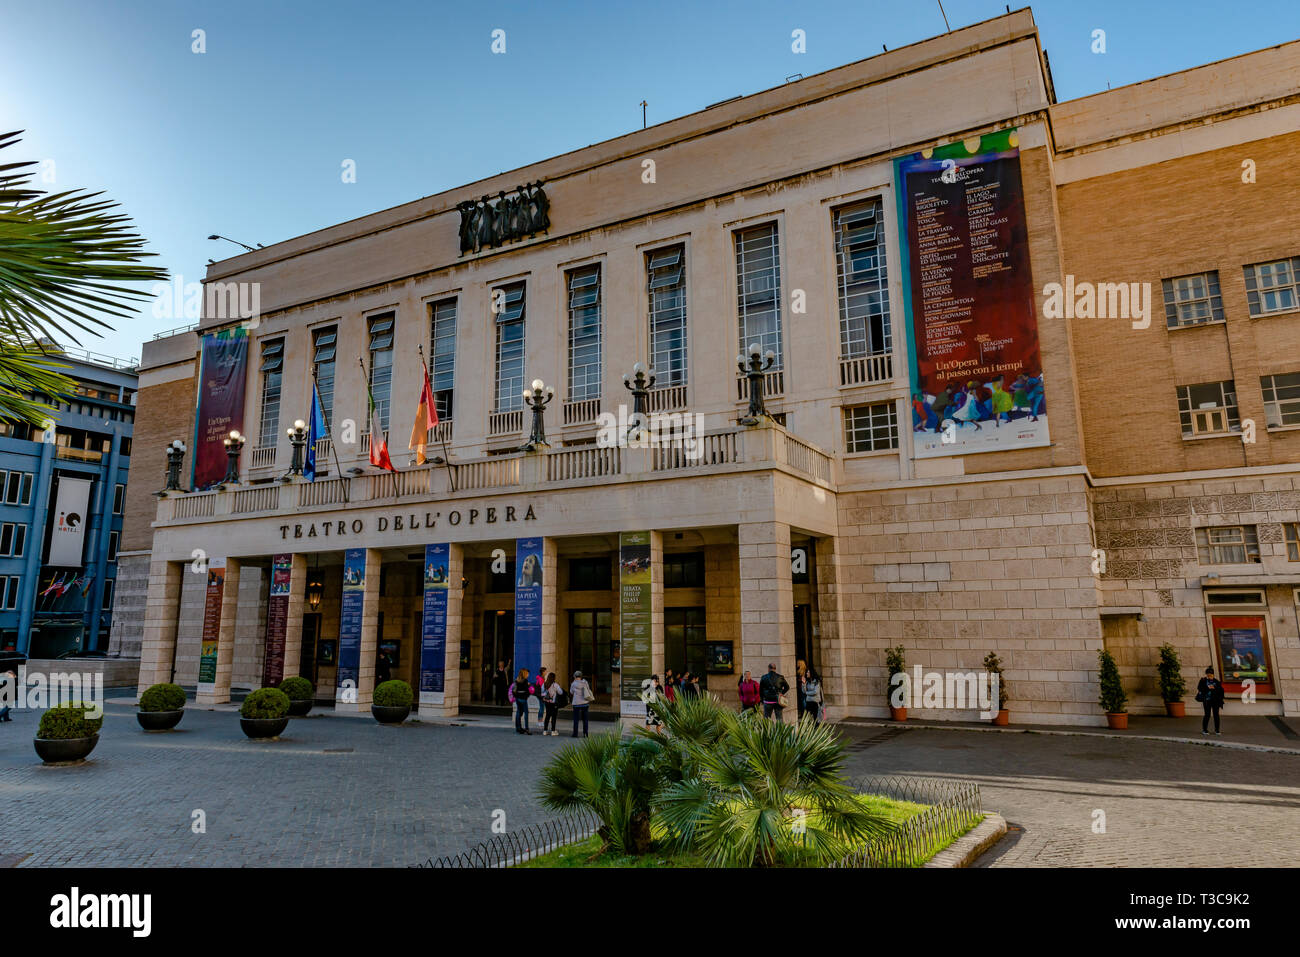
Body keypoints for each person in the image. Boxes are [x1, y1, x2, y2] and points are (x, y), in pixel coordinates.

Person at [1197, 666, 1225, 736]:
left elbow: (1221, 691)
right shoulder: (1203, 680)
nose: (1209, 676)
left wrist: (1214, 687)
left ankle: (1217, 730)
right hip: (1207, 701)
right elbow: (1200, 688)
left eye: (1211, 674)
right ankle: (1204, 730)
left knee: (1216, 715)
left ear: (1213, 674)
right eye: (1208, 674)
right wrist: (1207, 687)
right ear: (1206, 674)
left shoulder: (1216, 681)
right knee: (1207, 715)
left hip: (1215, 701)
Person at [570, 670, 593, 737]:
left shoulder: (573, 684)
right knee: (585, 719)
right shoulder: (585, 682)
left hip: (576, 703)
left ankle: (575, 733)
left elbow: (571, 692)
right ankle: (585, 734)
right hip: (585, 702)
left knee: (576, 719)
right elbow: (588, 690)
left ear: (575, 676)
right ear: (581, 676)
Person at [512, 668, 533, 735]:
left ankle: (518, 728)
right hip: (523, 699)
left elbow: (514, 690)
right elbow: (527, 691)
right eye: (527, 673)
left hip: (518, 698)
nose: (528, 675)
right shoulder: (525, 681)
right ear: (525, 674)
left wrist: (516, 696)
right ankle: (527, 729)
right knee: (526, 713)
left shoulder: (517, 680)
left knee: (518, 712)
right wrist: (529, 686)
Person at [541, 671, 563, 736]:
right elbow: (561, 692)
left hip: (547, 702)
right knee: (554, 716)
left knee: (547, 716)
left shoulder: (544, 684)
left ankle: (545, 730)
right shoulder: (555, 685)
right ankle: (553, 731)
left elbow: (542, 692)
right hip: (553, 703)